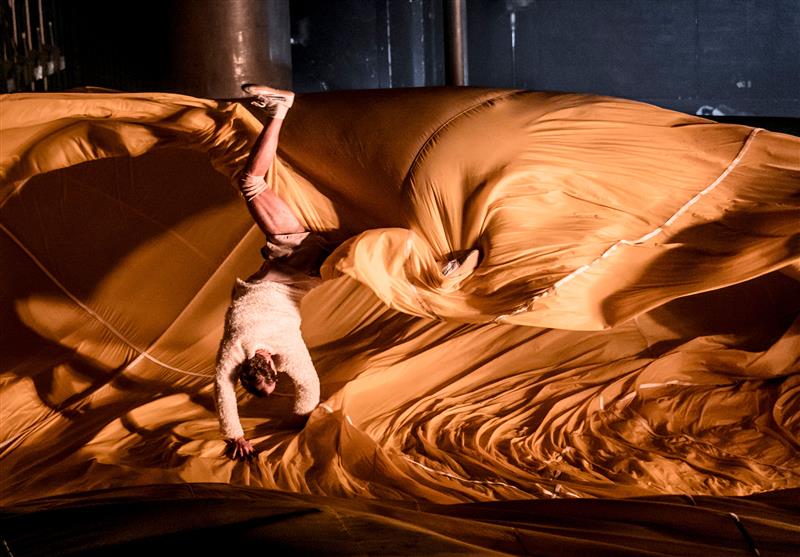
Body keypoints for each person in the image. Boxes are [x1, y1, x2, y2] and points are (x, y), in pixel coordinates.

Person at [214, 84, 327, 461]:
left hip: (298, 260)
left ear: (272, 372)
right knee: (251, 183)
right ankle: (279, 110)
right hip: (295, 257)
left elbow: (309, 390)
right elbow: (223, 387)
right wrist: (234, 434)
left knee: (251, 183)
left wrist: (295, 423)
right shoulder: (234, 350)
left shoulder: (285, 350)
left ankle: (281, 108)